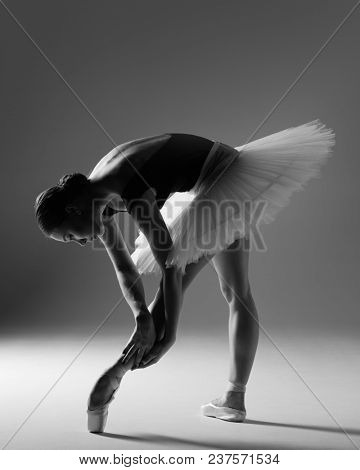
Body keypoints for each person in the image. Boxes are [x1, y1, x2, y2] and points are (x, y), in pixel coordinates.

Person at [34, 121, 335, 432]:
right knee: (236, 292)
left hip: (224, 176)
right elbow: (124, 268)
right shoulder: (99, 199)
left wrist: (170, 335)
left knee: (182, 294)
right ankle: (232, 398)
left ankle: (114, 376)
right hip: (202, 185)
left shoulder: (128, 189)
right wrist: (140, 316)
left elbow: (170, 267)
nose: (82, 243)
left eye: (71, 237)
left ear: (73, 210)